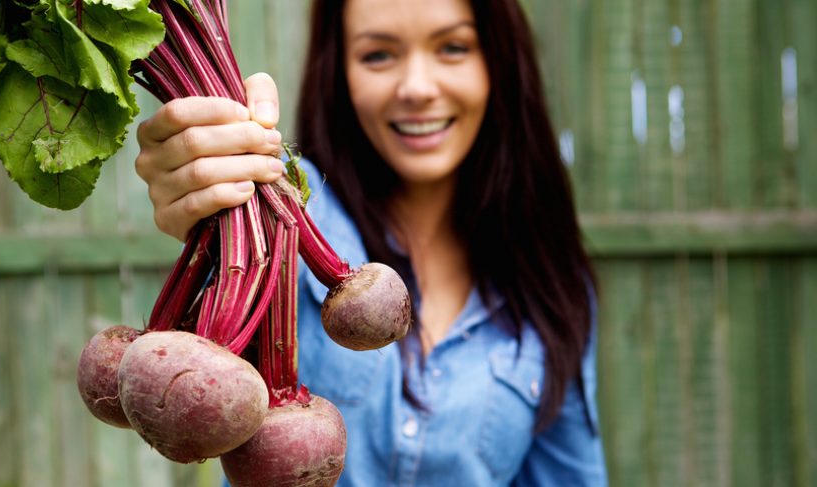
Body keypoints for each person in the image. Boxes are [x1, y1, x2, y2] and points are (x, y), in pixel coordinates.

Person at [134, 0, 607, 484]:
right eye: (378, 55)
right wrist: (207, 189)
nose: (417, 88)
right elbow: (226, 225)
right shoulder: (284, 208)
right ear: (339, 70)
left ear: (499, 61)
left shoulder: (550, 284)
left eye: (453, 47)